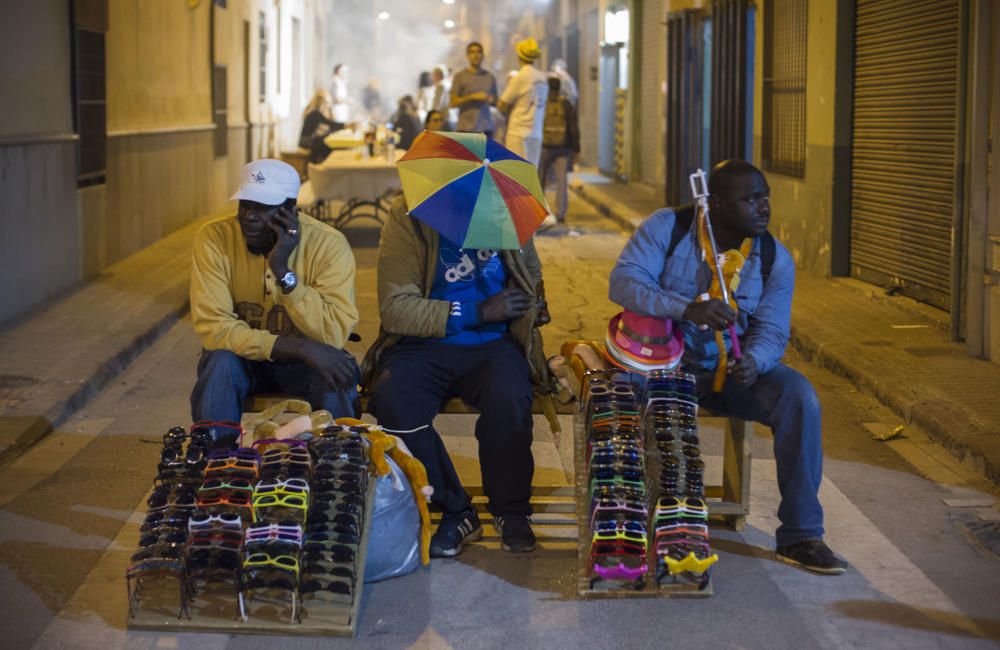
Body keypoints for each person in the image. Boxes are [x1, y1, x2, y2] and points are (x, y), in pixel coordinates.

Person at [608, 159, 848, 575]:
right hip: (661, 369)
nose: (763, 207)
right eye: (751, 199)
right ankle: (627, 524)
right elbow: (623, 282)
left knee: (798, 395)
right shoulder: (668, 228)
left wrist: (754, 361)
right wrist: (687, 308)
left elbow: (773, 331)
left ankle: (801, 535)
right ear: (714, 204)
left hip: (725, 374)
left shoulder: (774, 258)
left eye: (765, 197)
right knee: (618, 405)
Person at [361, 196, 553, 558]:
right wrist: (477, 310)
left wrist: (533, 307)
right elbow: (395, 310)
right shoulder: (410, 217)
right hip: (424, 343)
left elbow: (531, 274)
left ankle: (510, 509)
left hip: (494, 344)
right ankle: (455, 509)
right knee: (393, 402)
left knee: (509, 399)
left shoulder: (505, 212)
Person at [189, 159, 360, 449]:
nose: (250, 217)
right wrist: (301, 346)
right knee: (218, 362)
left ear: (290, 211)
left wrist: (283, 270)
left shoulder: (329, 245)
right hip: (245, 361)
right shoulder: (214, 239)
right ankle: (217, 465)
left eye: (263, 207)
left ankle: (337, 464)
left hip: (306, 366)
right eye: (245, 205)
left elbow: (332, 334)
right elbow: (215, 328)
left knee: (333, 369)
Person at [498, 37, 548, 166]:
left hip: (518, 134)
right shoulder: (543, 78)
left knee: (516, 175)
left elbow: (502, 104)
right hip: (536, 132)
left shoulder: (520, 77)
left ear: (519, 56)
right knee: (531, 173)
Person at [538, 76, 580, 226]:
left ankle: (539, 213)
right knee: (562, 181)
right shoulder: (566, 104)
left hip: (544, 147)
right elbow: (574, 128)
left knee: (539, 181)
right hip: (563, 148)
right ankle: (561, 213)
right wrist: (576, 150)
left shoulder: (542, 103)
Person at [450, 42, 498, 138]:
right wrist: (472, 97)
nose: (476, 55)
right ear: (467, 56)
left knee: (485, 153)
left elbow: (496, 101)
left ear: (483, 55)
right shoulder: (460, 76)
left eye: (478, 52)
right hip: (465, 128)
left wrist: (490, 99)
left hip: (486, 128)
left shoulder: (490, 77)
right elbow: (453, 103)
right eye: (472, 52)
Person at [299, 90, 345, 164]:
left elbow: (331, 126)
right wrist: (347, 125)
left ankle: (318, 166)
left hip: (314, 141)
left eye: (328, 102)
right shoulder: (314, 113)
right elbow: (331, 124)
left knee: (324, 142)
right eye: (325, 102)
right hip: (306, 142)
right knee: (322, 143)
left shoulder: (327, 112)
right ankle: (316, 166)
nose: (327, 104)